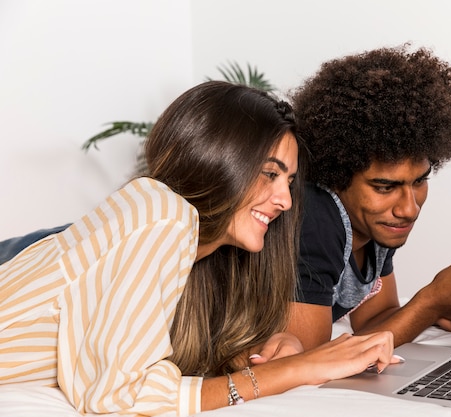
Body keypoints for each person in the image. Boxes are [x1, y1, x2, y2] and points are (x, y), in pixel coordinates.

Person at [0, 81, 397, 416]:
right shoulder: (161, 211)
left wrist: (272, 351)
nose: (285, 201)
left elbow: (158, 357)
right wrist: (294, 371)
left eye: (288, 182)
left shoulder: (208, 259)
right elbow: (118, 399)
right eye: (270, 174)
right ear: (219, 160)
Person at [287, 45, 451, 350]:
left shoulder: (373, 225)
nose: (409, 209)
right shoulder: (316, 218)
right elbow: (309, 359)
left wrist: (440, 311)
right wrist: (431, 300)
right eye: (384, 187)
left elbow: (374, 320)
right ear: (336, 176)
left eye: (419, 181)